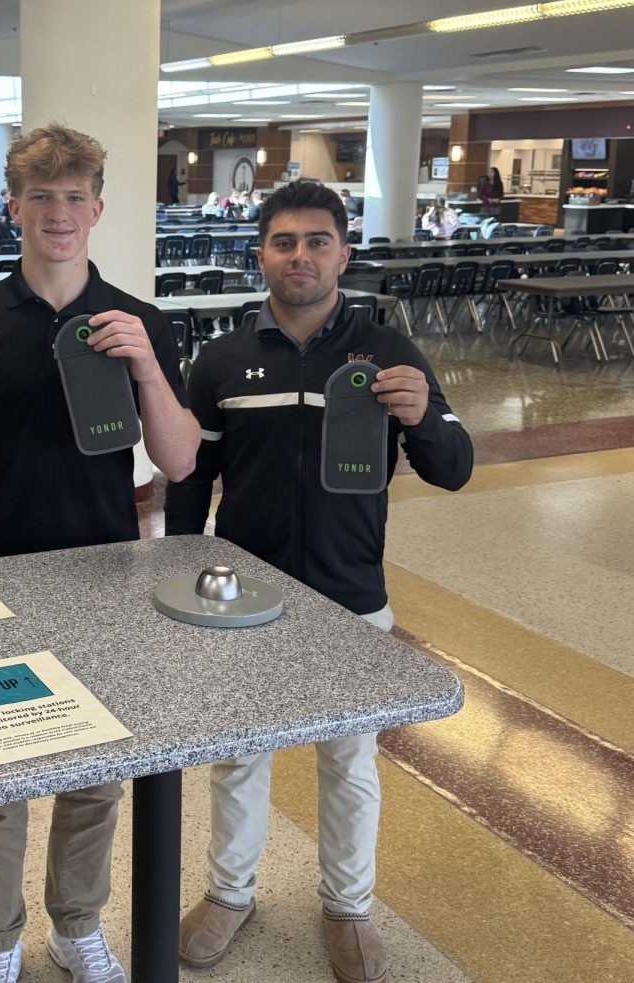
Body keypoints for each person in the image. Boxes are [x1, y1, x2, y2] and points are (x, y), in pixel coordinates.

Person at [167, 180, 473, 983]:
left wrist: (423, 418)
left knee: (349, 762)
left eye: (316, 240)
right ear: (260, 251)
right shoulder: (223, 360)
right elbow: (192, 481)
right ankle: (230, 894)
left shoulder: (390, 350)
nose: (299, 255)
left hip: (351, 596)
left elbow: (452, 469)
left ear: (344, 251)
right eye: (283, 241)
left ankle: (349, 907)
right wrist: (179, 571)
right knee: (239, 758)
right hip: (247, 601)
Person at [0, 122, 200, 983]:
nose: (57, 211)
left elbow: (182, 458)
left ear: (99, 209)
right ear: (13, 207)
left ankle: (75, 924)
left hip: (107, 575)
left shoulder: (139, 322)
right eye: (40, 195)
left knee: (96, 773)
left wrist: (148, 368)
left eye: (74, 195)